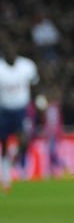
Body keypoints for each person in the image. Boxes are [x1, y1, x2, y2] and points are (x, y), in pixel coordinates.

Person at [0, 40, 39, 192]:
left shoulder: (27, 66)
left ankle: (14, 158)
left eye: (13, 51)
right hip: (4, 110)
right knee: (3, 143)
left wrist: (37, 102)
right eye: (8, 52)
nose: (11, 54)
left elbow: (35, 85)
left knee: (24, 140)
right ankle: (5, 178)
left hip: (21, 110)